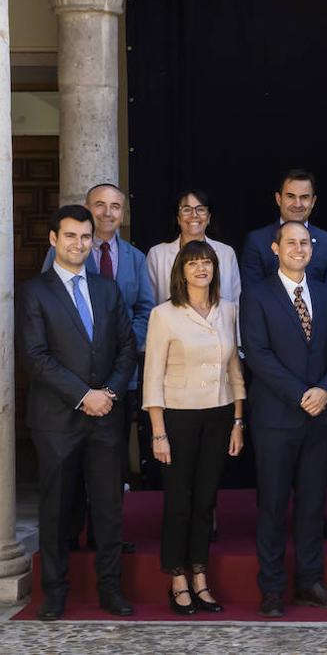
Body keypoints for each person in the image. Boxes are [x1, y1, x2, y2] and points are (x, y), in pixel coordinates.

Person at [18, 205, 138, 620]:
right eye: (70, 236)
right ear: (53, 239)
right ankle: (54, 591)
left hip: (106, 416)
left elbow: (126, 348)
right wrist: (84, 394)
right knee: (56, 509)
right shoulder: (34, 291)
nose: (79, 243)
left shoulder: (107, 288)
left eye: (86, 236)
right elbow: (35, 357)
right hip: (57, 421)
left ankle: (110, 589)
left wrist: (108, 393)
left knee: (108, 508)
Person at [239, 221, 327, 617]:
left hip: (320, 416)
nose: (299, 248)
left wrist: (325, 389)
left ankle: (309, 582)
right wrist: (301, 393)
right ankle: (271, 588)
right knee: (271, 505)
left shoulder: (324, 294)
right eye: (291, 242)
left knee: (312, 506)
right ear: (275, 248)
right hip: (276, 417)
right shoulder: (256, 295)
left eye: (305, 243)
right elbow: (257, 353)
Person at [41, 183, 154, 550]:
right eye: (100, 206)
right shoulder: (65, 251)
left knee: (112, 463)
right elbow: (50, 308)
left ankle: (107, 538)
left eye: (115, 207)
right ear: (88, 208)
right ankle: (71, 536)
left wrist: (120, 349)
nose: (108, 213)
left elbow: (145, 310)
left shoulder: (137, 258)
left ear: (124, 213)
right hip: (70, 385)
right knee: (71, 467)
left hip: (120, 379)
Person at [143, 240, 245, 615]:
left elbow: (235, 369)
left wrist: (237, 420)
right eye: (193, 263)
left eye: (207, 262)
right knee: (179, 502)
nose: (201, 268)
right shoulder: (164, 314)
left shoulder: (229, 311)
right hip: (177, 417)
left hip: (218, 416)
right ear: (181, 271)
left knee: (205, 500)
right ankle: (177, 578)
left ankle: (200, 575)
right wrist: (158, 432)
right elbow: (152, 376)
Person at [240, 169, 327, 304]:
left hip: (317, 323)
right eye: (290, 196)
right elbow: (252, 296)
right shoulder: (257, 241)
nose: (297, 204)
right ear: (279, 199)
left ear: (313, 201)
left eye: (304, 197)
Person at [146, 189, 242, 304]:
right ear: (178, 218)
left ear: (209, 217)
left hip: (217, 321)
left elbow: (237, 302)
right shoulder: (157, 254)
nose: (194, 215)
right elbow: (149, 303)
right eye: (186, 210)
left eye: (200, 209)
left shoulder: (226, 253)